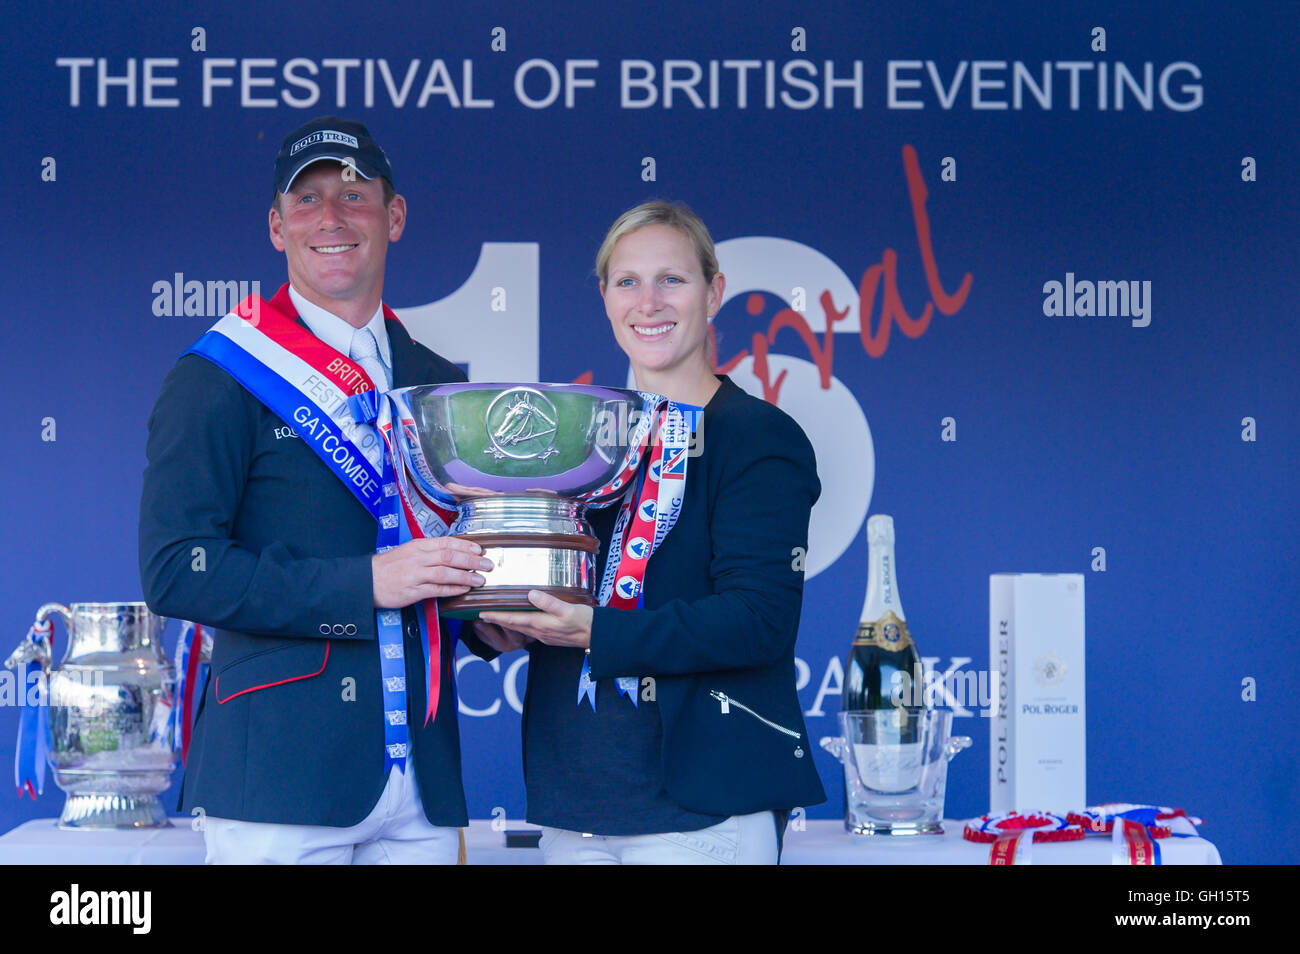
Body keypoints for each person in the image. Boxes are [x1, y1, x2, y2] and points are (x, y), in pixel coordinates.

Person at [138, 115, 497, 864]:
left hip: (423, 776)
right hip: (279, 772)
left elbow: (447, 557)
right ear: (277, 227)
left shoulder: (440, 382)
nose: (331, 218)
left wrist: (496, 615)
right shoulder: (218, 374)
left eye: (355, 195)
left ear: (393, 216)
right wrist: (364, 583)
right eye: (307, 200)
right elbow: (177, 570)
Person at [478, 201, 826, 864]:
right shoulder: (577, 442)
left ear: (715, 291)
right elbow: (547, 577)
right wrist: (499, 622)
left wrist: (597, 632)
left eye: (673, 279)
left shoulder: (757, 439)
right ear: (605, 298)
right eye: (628, 281)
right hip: (575, 801)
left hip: (702, 811)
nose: (649, 302)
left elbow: (758, 620)